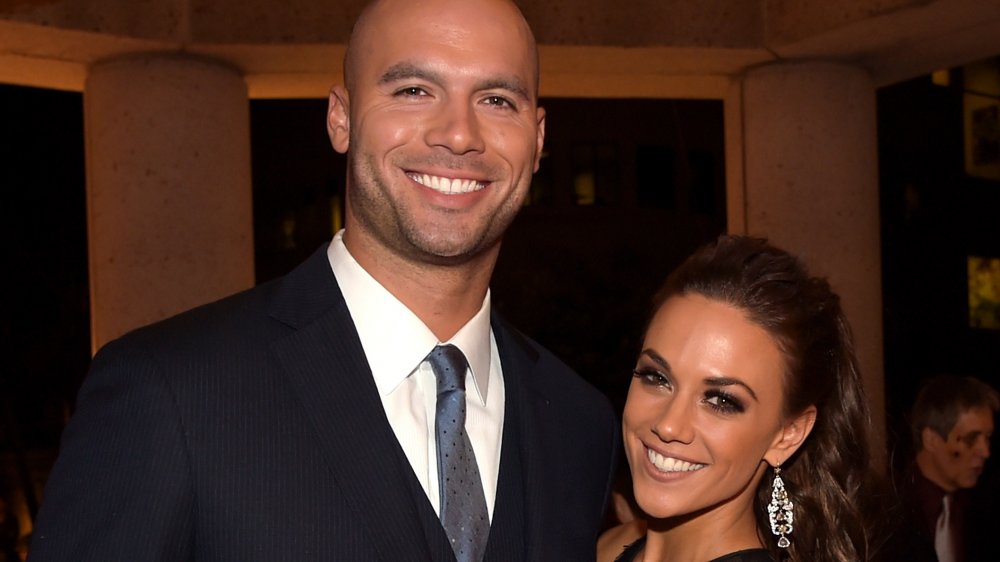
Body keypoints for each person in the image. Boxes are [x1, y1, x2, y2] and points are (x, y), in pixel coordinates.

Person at [27, 0, 620, 560]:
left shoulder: (579, 424)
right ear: (341, 118)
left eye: (496, 100)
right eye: (414, 91)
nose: (458, 134)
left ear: (538, 140)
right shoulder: (168, 393)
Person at [598, 235, 882, 562]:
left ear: (788, 434)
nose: (668, 424)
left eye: (721, 400)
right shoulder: (603, 548)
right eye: (657, 378)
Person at [889, 375, 999, 562]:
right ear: (931, 440)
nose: (985, 451)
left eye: (987, 438)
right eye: (971, 438)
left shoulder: (983, 509)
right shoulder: (889, 510)